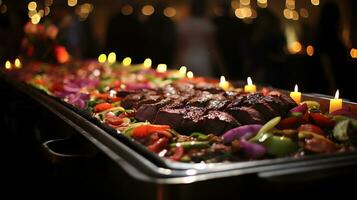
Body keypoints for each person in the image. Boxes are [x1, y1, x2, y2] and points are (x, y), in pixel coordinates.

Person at [174, 0, 224, 77]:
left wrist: (176, 64)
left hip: (187, 58)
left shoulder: (184, 23)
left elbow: (181, 47)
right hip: (203, 59)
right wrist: (221, 66)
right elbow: (212, 47)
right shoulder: (206, 24)